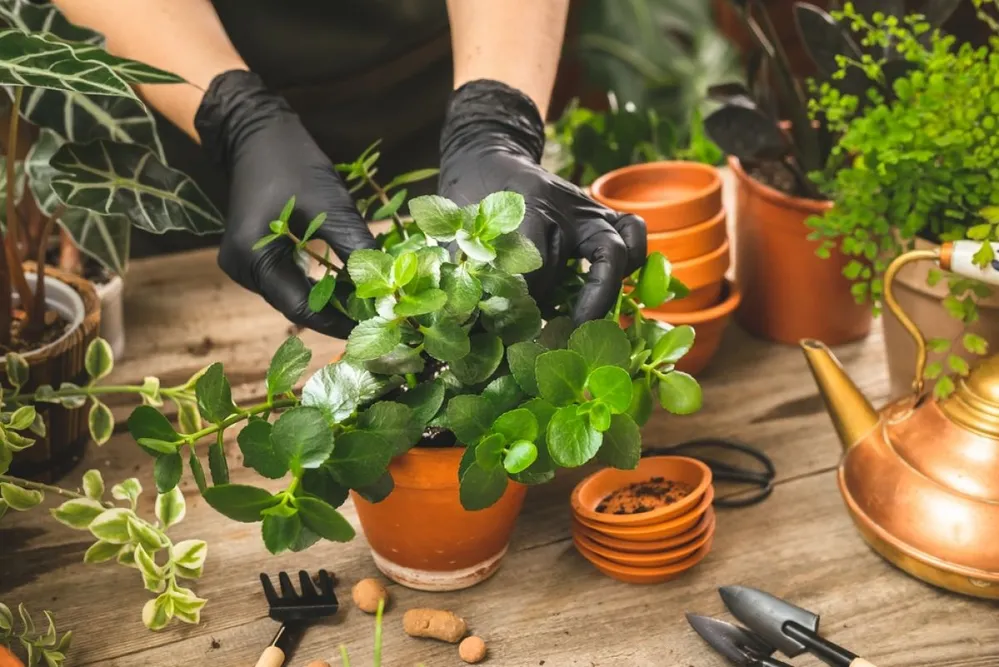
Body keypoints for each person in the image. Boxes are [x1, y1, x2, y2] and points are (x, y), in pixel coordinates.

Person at [53, 0, 647, 336]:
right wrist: (231, 114)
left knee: (455, 311)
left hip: (435, 84)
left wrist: (493, 119)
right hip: (175, 100)